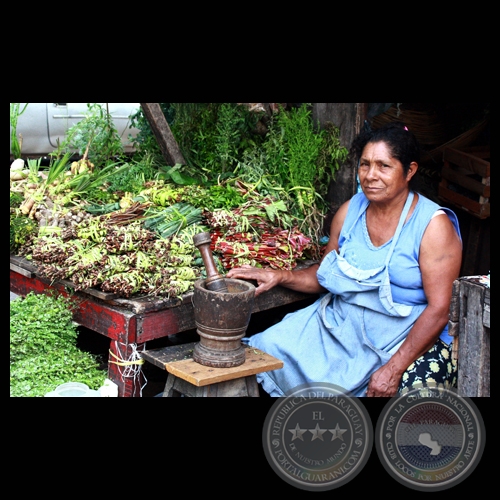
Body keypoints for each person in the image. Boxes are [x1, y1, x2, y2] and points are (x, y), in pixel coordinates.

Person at [226, 121, 462, 397]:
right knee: (268, 347)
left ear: (409, 171)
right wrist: (280, 276)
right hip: (339, 324)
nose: (370, 175)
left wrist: (393, 369)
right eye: (365, 165)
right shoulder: (350, 211)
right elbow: (326, 275)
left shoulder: (433, 226)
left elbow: (439, 309)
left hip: (394, 337)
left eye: (384, 166)